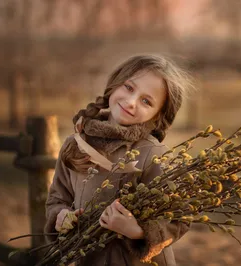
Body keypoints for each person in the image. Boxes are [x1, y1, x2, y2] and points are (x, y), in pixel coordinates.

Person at [44, 54, 194, 266]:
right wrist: (60, 216)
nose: (131, 102)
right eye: (129, 88)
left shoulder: (153, 154)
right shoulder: (75, 143)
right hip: (87, 260)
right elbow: (57, 198)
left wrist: (137, 231)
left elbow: (180, 216)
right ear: (115, 84)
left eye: (146, 101)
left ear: (157, 115)